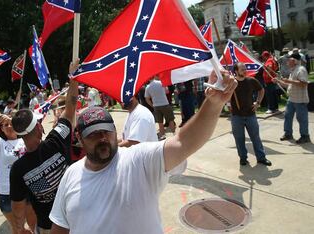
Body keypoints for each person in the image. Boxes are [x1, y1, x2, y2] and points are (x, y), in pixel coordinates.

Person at [49, 71, 237, 234]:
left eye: (107, 131)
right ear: (80, 140)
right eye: (94, 135)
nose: (103, 139)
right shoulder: (70, 175)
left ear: (116, 131)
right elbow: (60, 227)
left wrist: (213, 104)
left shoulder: (139, 160)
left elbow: (183, 142)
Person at [9, 60, 79, 234]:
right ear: (39, 128)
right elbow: (70, 109)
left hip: (49, 227)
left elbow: (17, 207)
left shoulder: (18, 170)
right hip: (77, 217)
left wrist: (19, 228)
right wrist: (73, 78)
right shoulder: (56, 140)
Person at [0, 95, 36, 233]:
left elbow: (31, 124)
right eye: (5, 125)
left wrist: (12, 117)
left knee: (34, 226)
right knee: (19, 230)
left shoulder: (25, 140)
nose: (8, 126)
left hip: (28, 190)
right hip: (8, 195)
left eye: (11, 123)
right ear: (1, 129)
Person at [230, 63, 271, 166]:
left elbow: (261, 90)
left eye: (245, 69)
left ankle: (261, 158)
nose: (245, 71)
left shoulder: (251, 80)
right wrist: (227, 103)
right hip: (236, 116)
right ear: (236, 71)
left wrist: (258, 102)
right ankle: (243, 158)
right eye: (242, 69)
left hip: (250, 114)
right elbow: (223, 93)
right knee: (239, 138)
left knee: (255, 137)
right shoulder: (231, 83)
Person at [275, 53, 311, 144]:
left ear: (294, 61)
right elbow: (290, 85)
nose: (287, 61)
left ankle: (305, 136)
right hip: (292, 99)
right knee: (287, 116)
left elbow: (303, 84)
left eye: (289, 59)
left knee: (301, 118)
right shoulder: (294, 70)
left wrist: (288, 80)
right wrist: (278, 81)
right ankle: (288, 134)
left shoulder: (301, 69)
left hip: (300, 100)